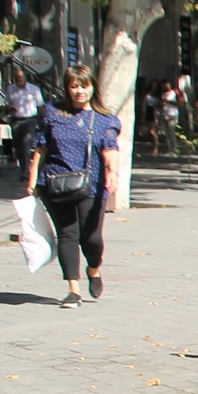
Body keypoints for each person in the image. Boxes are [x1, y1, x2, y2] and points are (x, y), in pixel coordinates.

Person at [25, 66, 120, 309]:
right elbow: (40, 149)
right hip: (55, 182)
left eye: (84, 85)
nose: (79, 91)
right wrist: (32, 180)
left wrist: (113, 174)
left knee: (92, 238)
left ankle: (94, 268)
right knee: (68, 234)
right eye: (74, 86)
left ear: (93, 87)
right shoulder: (53, 113)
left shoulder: (104, 119)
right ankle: (73, 290)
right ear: (67, 88)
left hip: (92, 184)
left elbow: (110, 149)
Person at [7, 66, 44, 176]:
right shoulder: (10, 89)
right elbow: (7, 103)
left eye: (21, 79)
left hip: (30, 120)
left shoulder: (34, 89)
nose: (19, 82)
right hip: (16, 119)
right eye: (17, 80)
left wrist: (40, 120)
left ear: (25, 79)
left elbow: (41, 106)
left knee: (26, 145)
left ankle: (26, 173)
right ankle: (23, 167)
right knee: (18, 146)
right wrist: (9, 108)